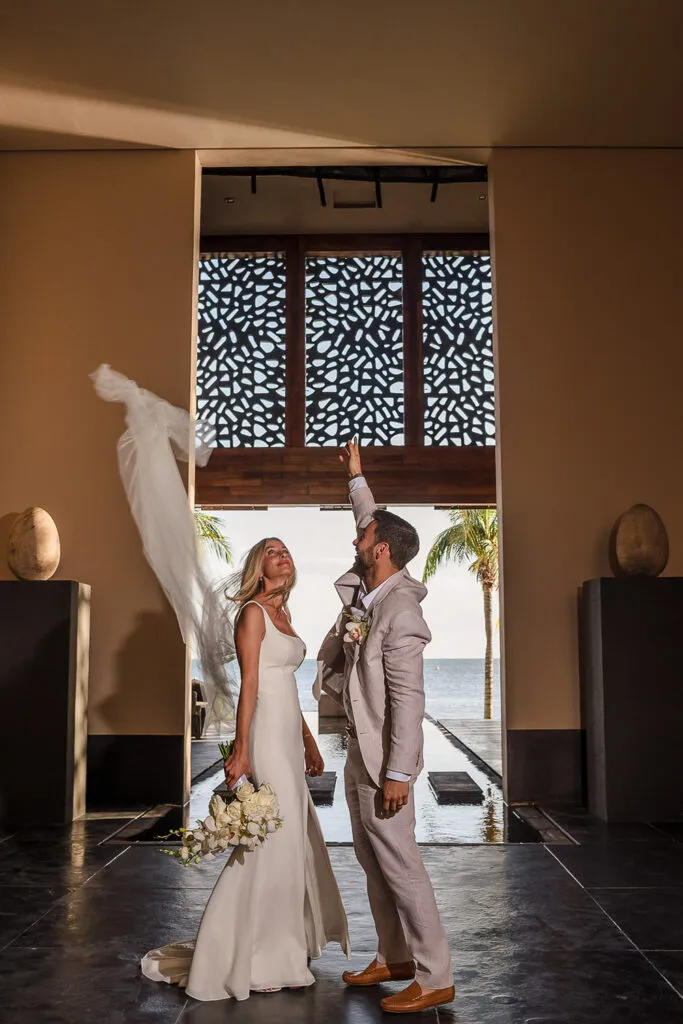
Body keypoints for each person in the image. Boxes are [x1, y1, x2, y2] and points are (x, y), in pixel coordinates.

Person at [142, 537, 350, 1001]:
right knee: (269, 838)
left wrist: (309, 740)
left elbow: (285, 687)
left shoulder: (285, 616)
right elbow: (251, 684)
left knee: (291, 836)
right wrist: (241, 750)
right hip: (264, 736)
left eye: (287, 550)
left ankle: (284, 947)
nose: (283, 555)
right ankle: (245, 952)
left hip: (287, 735)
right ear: (259, 567)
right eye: (272, 551)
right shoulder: (253, 613)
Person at [315, 439, 455, 1014]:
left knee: (401, 864)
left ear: (384, 552)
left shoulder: (401, 613)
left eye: (365, 538)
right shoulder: (370, 594)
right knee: (371, 861)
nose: (357, 538)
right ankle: (394, 956)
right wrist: (356, 477)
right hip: (358, 752)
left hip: (383, 764)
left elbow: (409, 702)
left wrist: (399, 772)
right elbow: (369, 520)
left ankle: (435, 973)